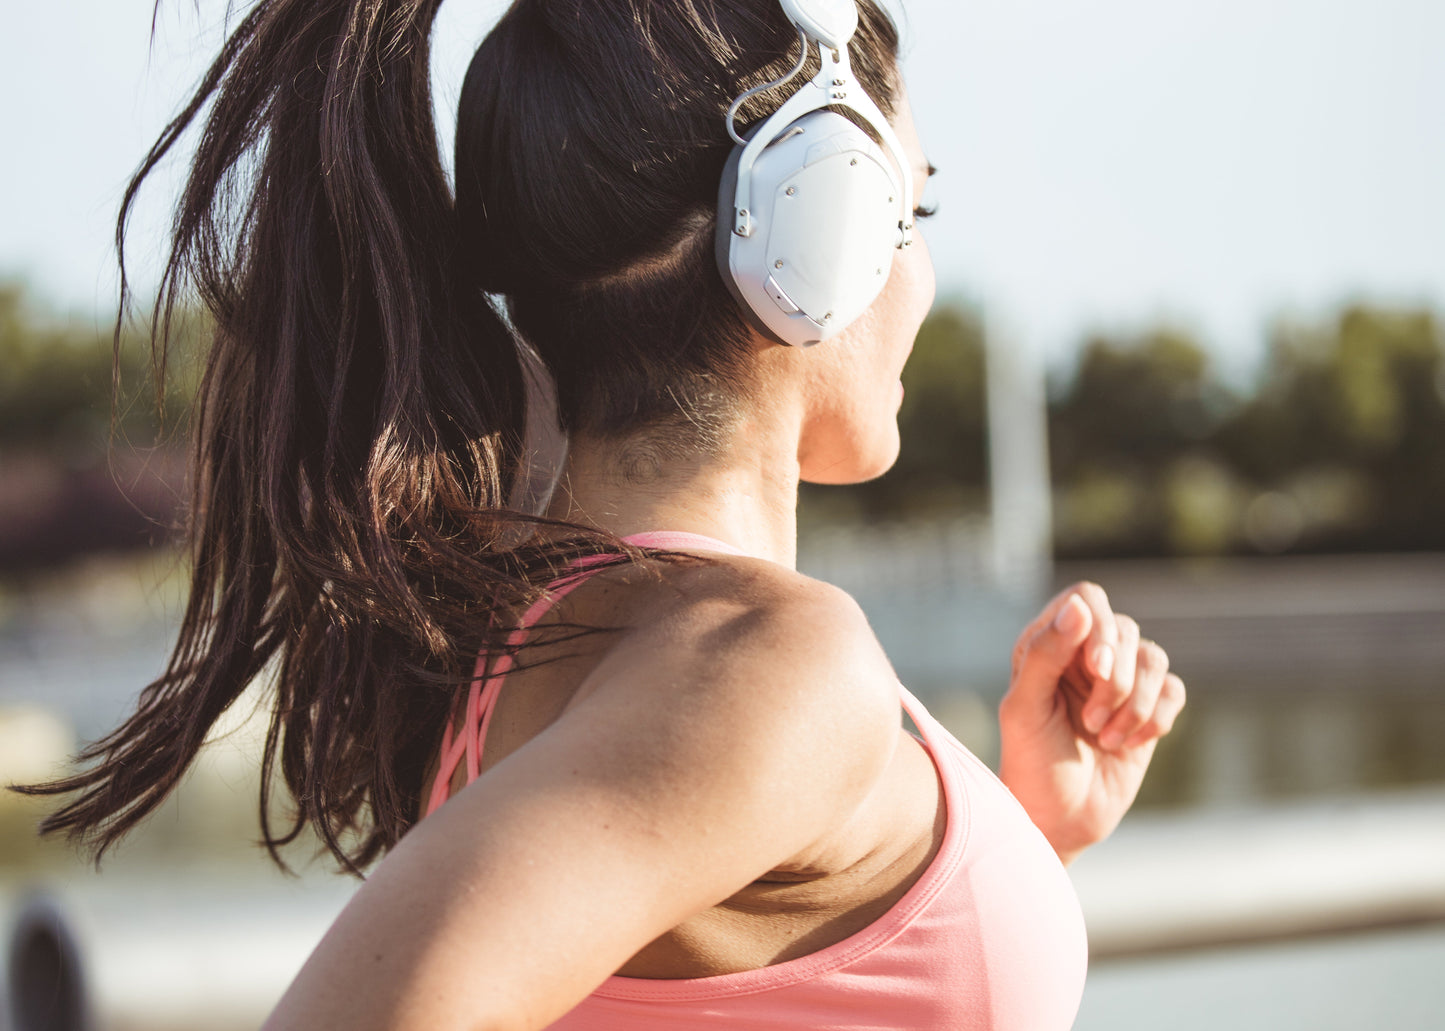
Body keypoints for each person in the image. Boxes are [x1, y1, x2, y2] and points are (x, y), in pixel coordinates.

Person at [24, 0, 1185, 1027]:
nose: (922, 274)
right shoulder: (769, 665)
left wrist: (1007, 839)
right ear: (813, 224)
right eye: (909, 213)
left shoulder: (521, 627)